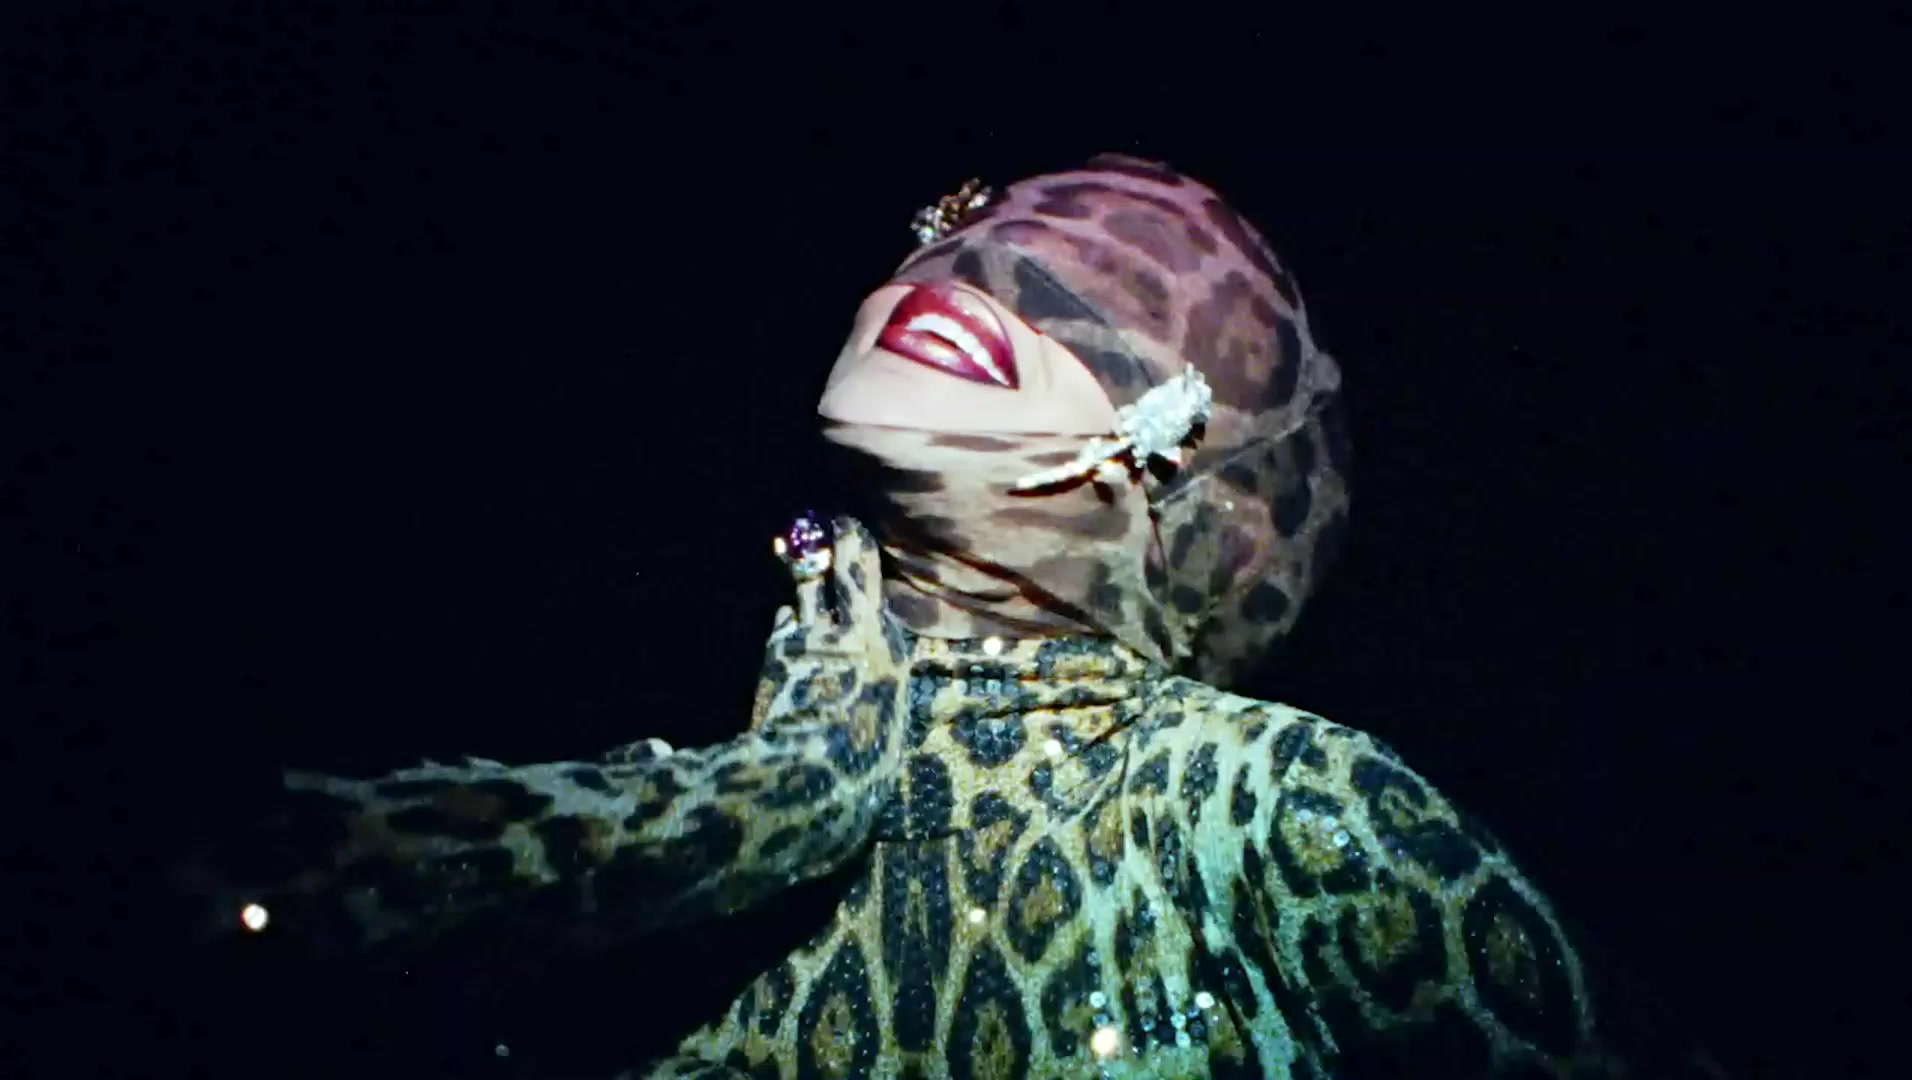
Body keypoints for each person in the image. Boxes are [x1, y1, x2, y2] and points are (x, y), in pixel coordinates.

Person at [190, 155, 1721, 1078]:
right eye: (968, 236)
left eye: (1117, 307)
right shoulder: (749, 754)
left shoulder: (1280, 804)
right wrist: (784, 784)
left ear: (1202, 471)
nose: (981, 274)